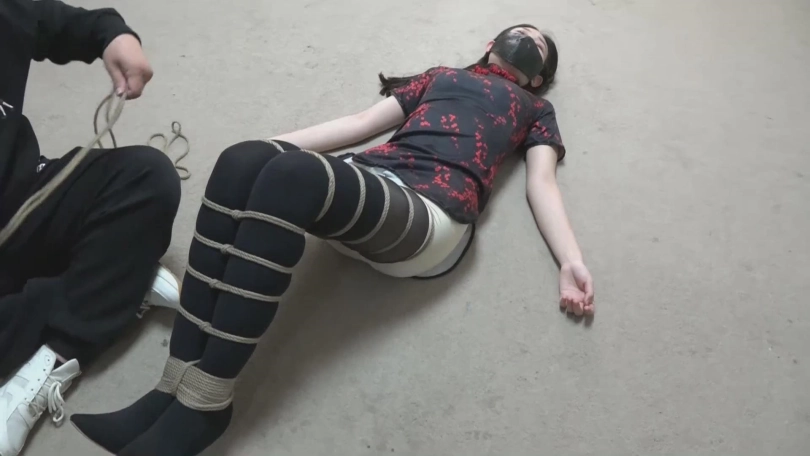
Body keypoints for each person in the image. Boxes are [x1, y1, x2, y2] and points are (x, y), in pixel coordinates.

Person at [71, 24, 595, 456]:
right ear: (489, 43)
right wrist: (264, 148)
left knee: (291, 177)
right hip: (370, 185)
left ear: (537, 79)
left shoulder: (533, 109)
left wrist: (570, 261)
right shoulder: (442, 76)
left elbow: (541, 183)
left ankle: (204, 404)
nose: (528, 37)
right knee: (242, 158)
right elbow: (360, 124)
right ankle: (172, 384)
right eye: (520, 31)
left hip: (430, 217)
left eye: (539, 44)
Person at [0, 1, 182, 455]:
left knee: (148, 178)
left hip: (23, 198)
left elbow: (54, 20)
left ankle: (62, 341)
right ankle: (111, 287)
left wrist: (113, 35)